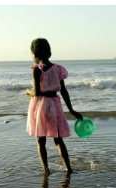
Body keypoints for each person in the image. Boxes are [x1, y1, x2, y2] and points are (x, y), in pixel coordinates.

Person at [26, 38, 83, 177]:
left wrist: (29, 92)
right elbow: (63, 91)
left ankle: (46, 170)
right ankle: (68, 168)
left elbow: (38, 92)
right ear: (49, 51)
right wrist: (71, 110)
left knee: (41, 140)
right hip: (55, 105)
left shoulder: (37, 70)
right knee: (58, 139)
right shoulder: (58, 69)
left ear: (35, 53)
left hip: (41, 106)